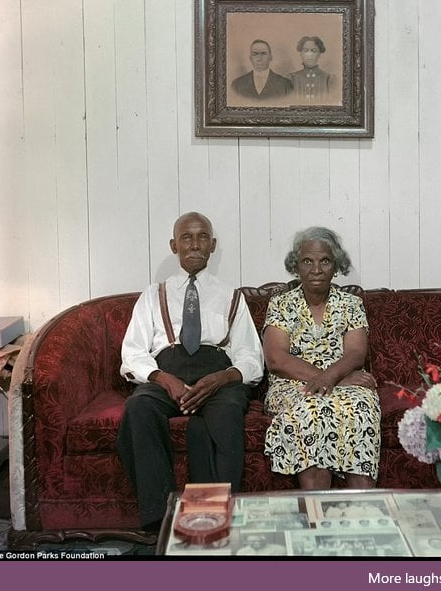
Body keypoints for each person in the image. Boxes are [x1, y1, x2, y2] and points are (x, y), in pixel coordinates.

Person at [117, 211, 264, 531]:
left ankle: (215, 518)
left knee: (226, 411)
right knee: (139, 407)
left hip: (217, 374)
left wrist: (223, 378)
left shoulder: (232, 297)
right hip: (167, 371)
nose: (194, 244)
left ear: (212, 245)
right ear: (174, 246)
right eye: (186, 237)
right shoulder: (152, 295)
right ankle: (161, 518)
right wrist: (163, 379)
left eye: (202, 238)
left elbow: (250, 355)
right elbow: (133, 353)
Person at [262, 226, 381, 490]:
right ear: (296, 266)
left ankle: (363, 513)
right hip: (293, 383)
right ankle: (317, 514)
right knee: (312, 409)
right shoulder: (280, 304)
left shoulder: (351, 303)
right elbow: (277, 359)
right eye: (307, 261)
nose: (316, 269)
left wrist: (332, 378)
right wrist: (331, 379)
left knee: (362, 407)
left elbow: (355, 353)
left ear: (336, 265)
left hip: (344, 381)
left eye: (324, 261)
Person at [289, 36, 333, 101]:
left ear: (319, 54)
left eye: (314, 51)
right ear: (301, 54)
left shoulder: (328, 78)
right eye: (306, 51)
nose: (309, 54)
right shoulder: (291, 78)